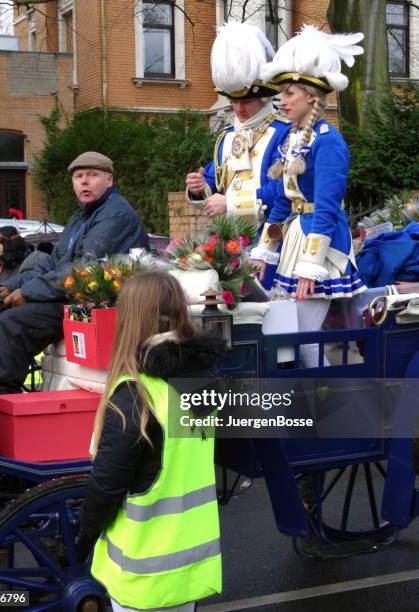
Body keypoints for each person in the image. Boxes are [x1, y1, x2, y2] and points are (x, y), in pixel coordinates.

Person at [0, 151, 149, 448]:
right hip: (77, 298)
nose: (84, 182)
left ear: (109, 179)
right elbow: (52, 264)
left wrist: (27, 293)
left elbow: (81, 270)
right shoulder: (83, 215)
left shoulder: (116, 215)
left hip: (99, 305)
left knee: (13, 324)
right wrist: (11, 286)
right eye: (78, 177)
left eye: (91, 175)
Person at [77, 270, 225, 612]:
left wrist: (82, 535)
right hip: (188, 566)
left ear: (129, 319)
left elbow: (107, 485)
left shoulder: (135, 394)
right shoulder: (201, 382)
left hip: (142, 570)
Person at [252, 25, 367, 367]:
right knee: (288, 341)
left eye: (289, 94)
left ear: (312, 97)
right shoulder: (295, 138)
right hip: (294, 238)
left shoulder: (328, 140)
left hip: (321, 245)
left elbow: (328, 208)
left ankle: (324, 410)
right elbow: (285, 200)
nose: (282, 101)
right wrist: (265, 249)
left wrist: (311, 267)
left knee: (302, 343)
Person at [185, 22, 291, 233]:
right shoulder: (227, 136)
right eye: (234, 102)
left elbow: (284, 187)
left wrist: (231, 203)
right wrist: (198, 187)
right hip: (231, 234)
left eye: (246, 102)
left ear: (262, 98)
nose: (238, 108)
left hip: (273, 234)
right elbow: (215, 181)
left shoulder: (284, 132)